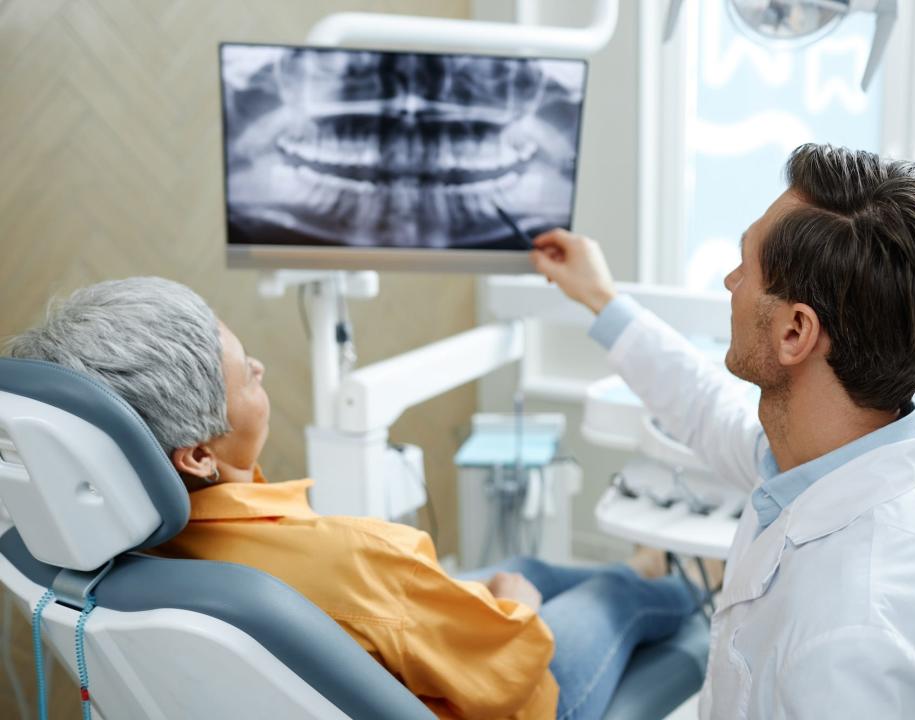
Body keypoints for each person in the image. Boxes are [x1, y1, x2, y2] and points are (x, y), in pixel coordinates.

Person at [6, 276, 696, 720]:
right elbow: (510, 666)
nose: (260, 369)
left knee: (528, 564)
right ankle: (685, 590)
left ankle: (634, 570)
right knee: (604, 599)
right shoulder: (352, 558)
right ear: (197, 454)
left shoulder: (105, 552)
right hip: (518, 702)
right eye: (243, 376)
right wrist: (519, 604)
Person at [530, 143, 915, 719]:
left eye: (746, 266)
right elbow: (707, 408)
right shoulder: (849, 446)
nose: (731, 281)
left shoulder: (852, 640)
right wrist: (600, 298)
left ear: (794, 333)